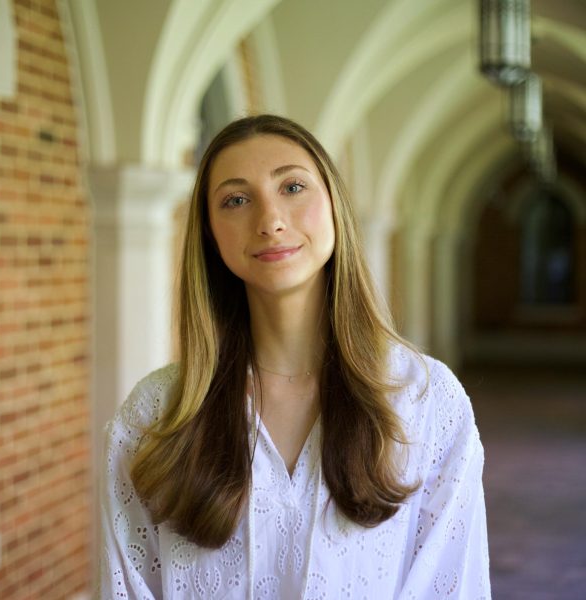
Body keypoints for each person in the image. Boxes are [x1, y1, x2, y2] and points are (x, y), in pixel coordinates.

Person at [99, 114, 491, 599]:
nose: (270, 221)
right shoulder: (157, 414)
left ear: (334, 207)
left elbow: (450, 586)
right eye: (236, 200)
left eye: (292, 187)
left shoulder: (425, 400)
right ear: (210, 233)